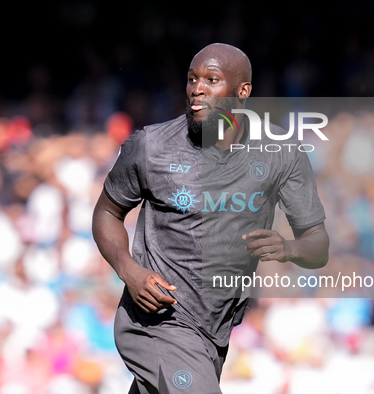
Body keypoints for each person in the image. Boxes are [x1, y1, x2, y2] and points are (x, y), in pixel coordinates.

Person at [92, 43, 329, 394]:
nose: (197, 89)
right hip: (157, 319)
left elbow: (318, 246)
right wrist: (130, 272)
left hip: (215, 327)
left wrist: (289, 247)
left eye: (212, 80)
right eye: (192, 79)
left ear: (242, 91)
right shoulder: (150, 146)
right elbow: (107, 213)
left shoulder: (282, 154)